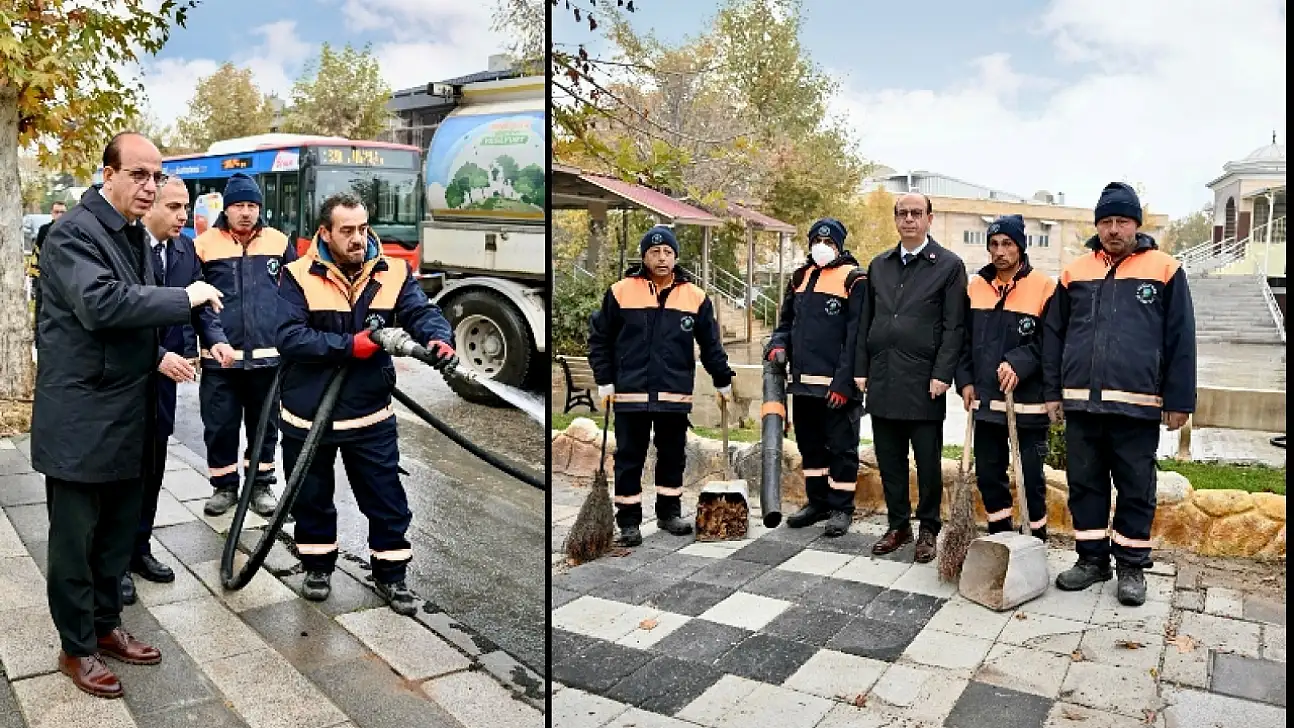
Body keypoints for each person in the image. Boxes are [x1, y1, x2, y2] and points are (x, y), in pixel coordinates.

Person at [31, 132, 226, 699]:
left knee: (117, 535)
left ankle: (105, 626)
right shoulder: (73, 233)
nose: (150, 186)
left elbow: (129, 323)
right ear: (107, 174)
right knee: (76, 542)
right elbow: (101, 304)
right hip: (81, 418)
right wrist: (183, 298)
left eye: (157, 176)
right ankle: (76, 648)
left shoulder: (133, 235)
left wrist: (159, 352)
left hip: (128, 411)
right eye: (138, 175)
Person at [276, 193, 456, 615]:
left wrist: (438, 336)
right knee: (311, 497)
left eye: (363, 228)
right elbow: (288, 337)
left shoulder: (393, 270)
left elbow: (419, 310)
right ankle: (317, 567)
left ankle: (391, 575)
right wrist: (347, 346)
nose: (358, 238)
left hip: (368, 411)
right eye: (347, 231)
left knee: (386, 498)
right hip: (308, 413)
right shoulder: (297, 275)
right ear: (325, 233)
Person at [1043, 182, 1196, 606]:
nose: (1113, 229)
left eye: (1122, 221)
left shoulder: (1165, 269)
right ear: (1097, 225)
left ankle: (1131, 566)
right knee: (1085, 484)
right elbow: (1054, 335)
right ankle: (1091, 560)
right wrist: (1053, 391)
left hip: (1138, 404)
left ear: (1136, 225)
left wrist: (1180, 399)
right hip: (1081, 403)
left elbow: (1182, 338)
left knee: (1135, 486)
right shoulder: (1075, 272)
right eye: (1106, 221)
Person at [121, 177, 234, 605]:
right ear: (149, 206)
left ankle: (139, 549)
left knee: (153, 468)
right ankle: (113, 565)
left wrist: (215, 339)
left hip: (164, 386)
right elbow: (120, 315)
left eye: (186, 206)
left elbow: (201, 305)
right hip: (125, 381)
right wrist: (156, 356)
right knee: (123, 475)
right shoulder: (127, 249)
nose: (183, 216)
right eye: (173, 206)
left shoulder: (186, 249)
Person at [587, 226, 736, 546]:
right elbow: (600, 339)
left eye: (668, 252)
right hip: (630, 392)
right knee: (629, 457)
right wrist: (604, 379)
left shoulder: (695, 297)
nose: (662, 257)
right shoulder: (620, 291)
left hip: (674, 393)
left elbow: (710, 344)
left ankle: (669, 513)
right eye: (654, 252)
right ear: (644, 256)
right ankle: (628, 521)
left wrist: (722, 378)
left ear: (676, 256)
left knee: (672, 455)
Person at [856, 192, 967, 563]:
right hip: (884, 377)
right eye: (902, 213)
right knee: (889, 460)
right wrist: (861, 369)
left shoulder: (949, 266)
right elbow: (866, 323)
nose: (909, 220)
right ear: (895, 219)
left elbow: (954, 328)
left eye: (916, 213)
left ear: (929, 218)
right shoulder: (879, 265)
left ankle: (928, 529)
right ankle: (898, 525)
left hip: (924, 383)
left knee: (928, 462)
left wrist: (943, 374)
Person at [193, 172, 296, 517]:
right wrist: (212, 341)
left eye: (252, 205)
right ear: (227, 208)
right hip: (220, 360)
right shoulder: (205, 245)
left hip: (269, 359)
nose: (246, 212)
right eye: (239, 205)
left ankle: (261, 484)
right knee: (220, 425)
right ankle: (224, 487)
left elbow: (295, 296)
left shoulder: (280, 243)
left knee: (265, 426)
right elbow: (197, 303)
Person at [765, 218, 868, 537]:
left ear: (840, 246)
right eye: (817, 241)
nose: (823, 247)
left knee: (841, 448)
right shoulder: (799, 277)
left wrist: (844, 383)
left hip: (837, 387)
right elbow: (784, 323)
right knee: (810, 446)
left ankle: (841, 507)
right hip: (803, 384)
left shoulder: (855, 279)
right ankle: (817, 501)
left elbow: (857, 337)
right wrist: (778, 345)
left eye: (830, 242)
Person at [955, 215, 1055, 539]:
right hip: (986, 403)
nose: (1000, 251)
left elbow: (1052, 342)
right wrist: (965, 381)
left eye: (1007, 244)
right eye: (994, 244)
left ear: (1020, 247)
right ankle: (1000, 536)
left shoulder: (1044, 286)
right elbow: (963, 341)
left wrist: (1018, 362)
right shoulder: (976, 287)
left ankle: (1034, 539)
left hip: (1027, 405)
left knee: (1030, 477)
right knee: (989, 475)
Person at [29, 200, 67, 349]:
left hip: (63, 281)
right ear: (52, 213)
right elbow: (36, 254)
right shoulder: (44, 230)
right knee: (41, 309)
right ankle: (39, 341)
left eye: (62, 212)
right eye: (57, 212)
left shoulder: (70, 230)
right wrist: (34, 277)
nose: (59, 215)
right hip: (44, 278)